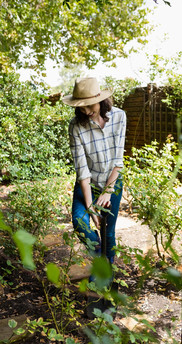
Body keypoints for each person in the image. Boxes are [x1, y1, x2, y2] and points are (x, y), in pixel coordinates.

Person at [62, 77, 126, 266]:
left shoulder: (119, 117)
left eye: (90, 105)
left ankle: (108, 275)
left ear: (101, 99)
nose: (86, 111)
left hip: (112, 182)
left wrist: (108, 191)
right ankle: (101, 262)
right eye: (81, 107)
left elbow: (118, 160)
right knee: (80, 224)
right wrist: (91, 207)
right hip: (87, 184)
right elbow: (82, 169)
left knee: (109, 231)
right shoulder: (76, 126)